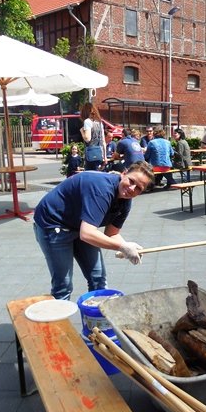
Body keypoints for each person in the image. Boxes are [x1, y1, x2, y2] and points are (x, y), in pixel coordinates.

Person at [33, 161, 154, 301]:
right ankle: (57, 322)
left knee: (98, 279)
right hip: (54, 224)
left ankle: (98, 320)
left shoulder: (126, 200)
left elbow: (112, 233)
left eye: (139, 188)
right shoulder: (102, 189)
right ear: (124, 174)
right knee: (63, 286)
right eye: (131, 181)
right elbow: (87, 234)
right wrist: (123, 247)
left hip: (81, 225)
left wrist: (128, 247)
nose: (132, 188)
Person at [79, 102, 106, 171]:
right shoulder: (99, 122)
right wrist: (105, 156)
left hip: (91, 153)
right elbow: (103, 141)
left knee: (90, 174)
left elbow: (88, 138)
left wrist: (82, 131)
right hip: (100, 153)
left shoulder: (87, 121)